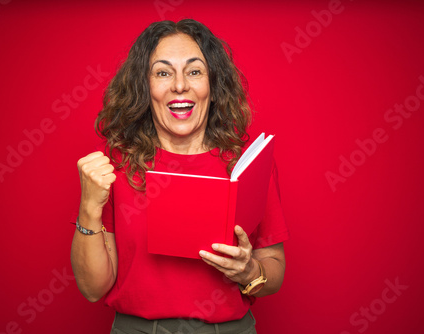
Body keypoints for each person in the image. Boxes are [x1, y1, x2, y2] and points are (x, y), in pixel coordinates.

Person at [70, 19, 288, 334]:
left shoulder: (245, 163)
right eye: (163, 72)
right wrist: (89, 207)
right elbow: (92, 289)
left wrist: (249, 270)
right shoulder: (116, 165)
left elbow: (275, 275)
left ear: (213, 86)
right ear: (144, 88)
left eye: (194, 71)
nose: (180, 85)